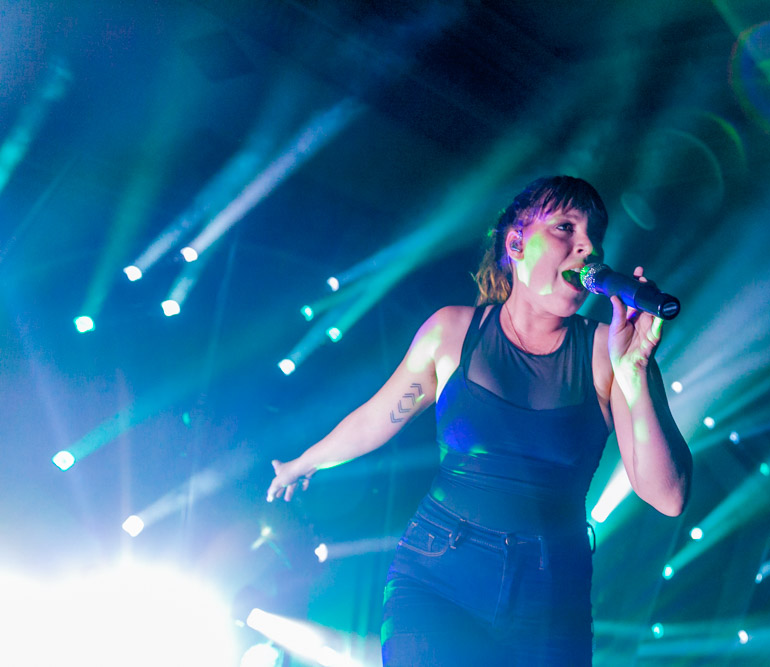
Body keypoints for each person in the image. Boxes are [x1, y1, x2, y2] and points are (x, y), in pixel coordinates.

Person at [267, 175, 692, 666]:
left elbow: (668, 497)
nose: (588, 247)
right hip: (438, 576)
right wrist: (303, 463)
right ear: (516, 244)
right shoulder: (452, 332)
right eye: (565, 227)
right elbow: (377, 418)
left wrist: (635, 373)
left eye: (594, 235)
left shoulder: (611, 353)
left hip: (551, 599)